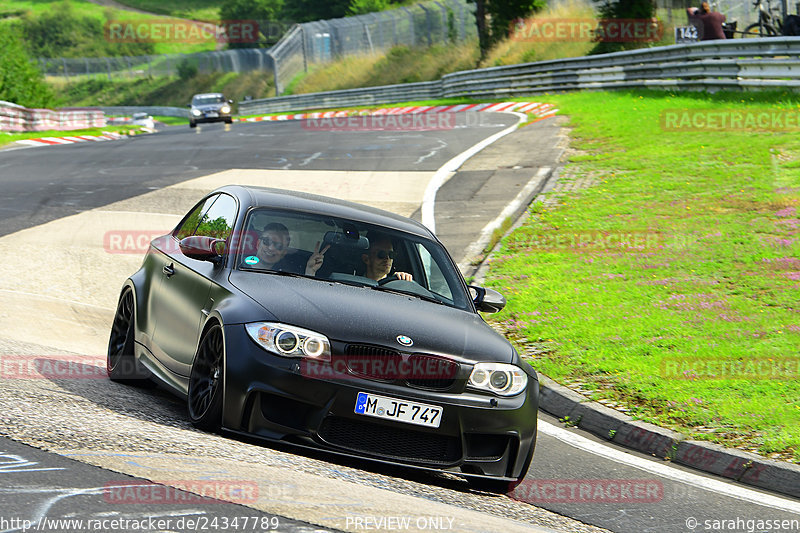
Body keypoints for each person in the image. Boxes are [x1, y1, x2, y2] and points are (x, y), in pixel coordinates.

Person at [250, 222, 328, 276]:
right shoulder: (238, 264)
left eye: (279, 246)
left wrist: (310, 271)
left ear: (284, 253)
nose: (271, 248)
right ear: (258, 244)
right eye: (267, 241)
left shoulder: (287, 276)